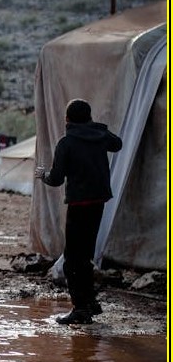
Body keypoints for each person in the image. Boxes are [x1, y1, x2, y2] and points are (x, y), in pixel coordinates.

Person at [35, 98, 122, 325]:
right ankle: (91, 303)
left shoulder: (66, 143)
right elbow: (118, 144)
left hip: (78, 206)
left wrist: (42, 174)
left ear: (67, 119)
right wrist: (97, 128)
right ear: (90, 117)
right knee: (84, 256)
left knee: (72, 261)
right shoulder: (100, 137)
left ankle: (81, 309)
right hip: (98, 203)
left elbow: (56, 179)